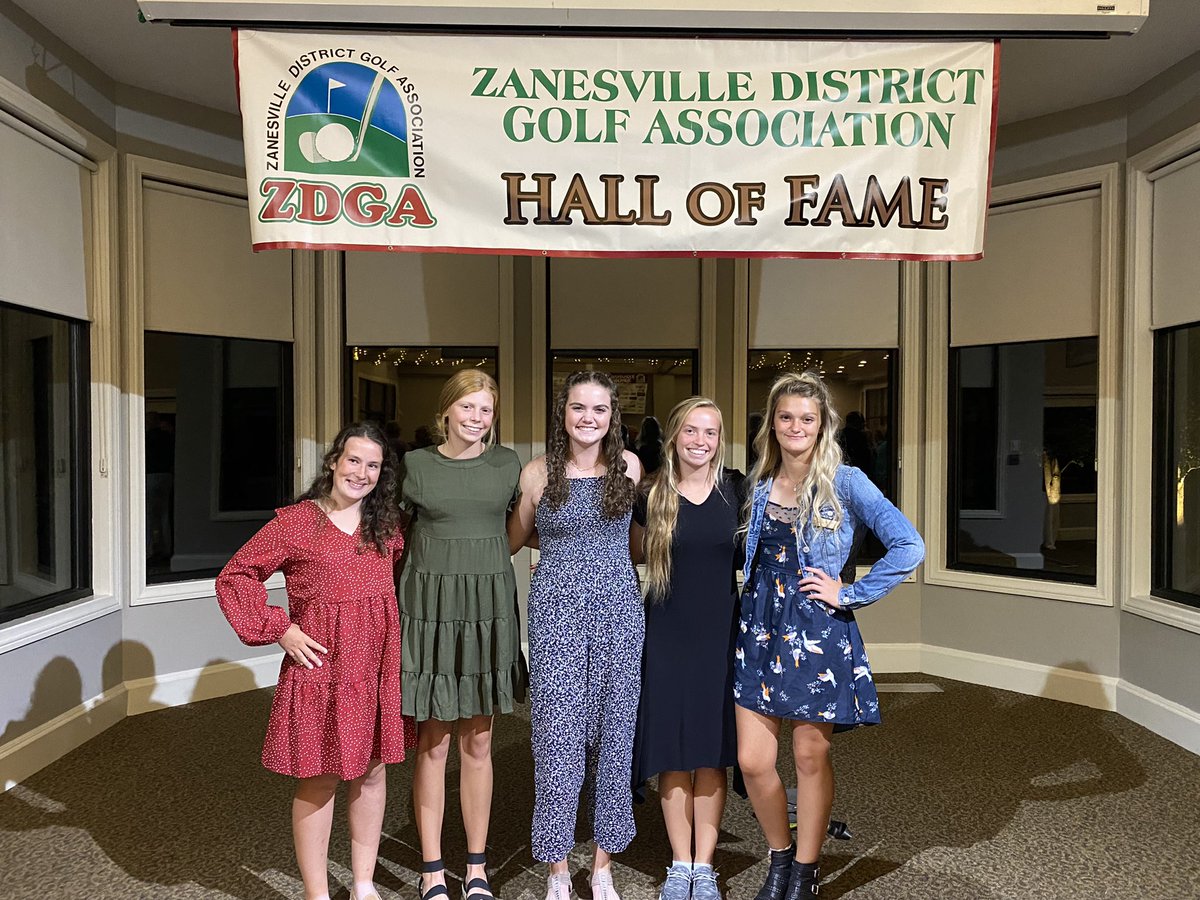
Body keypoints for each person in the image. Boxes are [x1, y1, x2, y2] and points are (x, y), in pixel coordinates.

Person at [735, 372, 924, 899]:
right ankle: (779, 856)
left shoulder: (846, 481)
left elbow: (909, 545)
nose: (796, 426)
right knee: (752, 760)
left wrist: (851, 593)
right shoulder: (757, 482)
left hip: (816, 631)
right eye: (786, 416)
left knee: (809, 757)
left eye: (807, 418)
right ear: (772, 424)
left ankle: (805, 869)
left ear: (823, 425)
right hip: (758, 630)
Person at [215, 422, 414, 900]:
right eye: (353, 460)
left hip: (375, 666)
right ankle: (316, 892)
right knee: (319, 777)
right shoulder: (297, 523)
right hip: (322, 668)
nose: (361, 473)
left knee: (372, 773)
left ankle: (363, 882)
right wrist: (280, 628)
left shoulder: (388, 525)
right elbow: (235, 576)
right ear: (333, 462)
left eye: (372, 465)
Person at [508, 370, 644, 900]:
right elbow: (514, 538)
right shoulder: (537, 473)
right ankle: (558, 868)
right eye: (579, 407)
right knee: (557, 740)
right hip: (557, 615)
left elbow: (634, 539)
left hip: (618, 612)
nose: (589, 418)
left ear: (613, 416)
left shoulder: (629, 466)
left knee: (616, 736)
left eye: (600, 409)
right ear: (563, 412)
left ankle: (603, 864)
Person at [397, 370, 525, 900]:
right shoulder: (415, 466)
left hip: (488, 612)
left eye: (486, 409)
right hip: (431, 612)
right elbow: (386, 535)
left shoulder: (508, 465)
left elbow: (524, 529)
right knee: (433, 743)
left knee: (480, 741)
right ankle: (431, 868)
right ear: (446, 411)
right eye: (468, 407)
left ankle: (476, 866)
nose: (476, 418)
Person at [630, 398, 745, 900]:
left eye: (711, 432)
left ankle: (704, 865)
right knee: (673, 752)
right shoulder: (650, 494)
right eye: (692, 431)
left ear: (720, 440)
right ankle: (680, 864)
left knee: (711, 752)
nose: (701, 441)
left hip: (721, 635)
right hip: (666, 635)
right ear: (674, 436)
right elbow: (623, 552)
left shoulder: (737, 491)